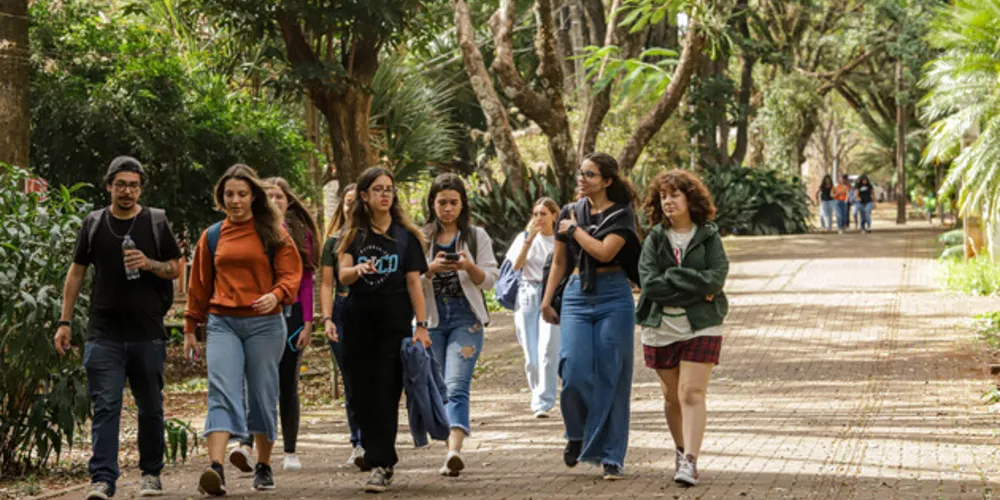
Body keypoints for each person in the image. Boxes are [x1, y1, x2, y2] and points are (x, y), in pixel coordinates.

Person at [55, 156, 182, 500]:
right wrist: (65, 321)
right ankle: (102, 479)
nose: (128, 191)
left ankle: (151, 474)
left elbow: (175, 268)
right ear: (109, 185)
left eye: (134, 185)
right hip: (103, 332)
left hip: (148, 332)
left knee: (151, 407)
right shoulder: (94, 223)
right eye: (121, 184)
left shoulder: (155, 222)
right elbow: (77, 272)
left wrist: (149, 263)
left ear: (141, 188)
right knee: (107, 405)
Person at [183, 164, 302, 495]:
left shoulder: (274, 234)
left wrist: (276, 294)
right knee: (221, 389)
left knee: (263, 395)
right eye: (229, 195)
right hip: (223, 322)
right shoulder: (212, 236)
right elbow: (199, 285)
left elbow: (291, 274)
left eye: (241, 194)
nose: (235, 200)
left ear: (253, 197)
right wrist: (190, 325)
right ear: (221, 198)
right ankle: (216, 468)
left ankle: (263, 465)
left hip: (265, 324)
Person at [541, 152, 642, 481]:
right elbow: (559, 262)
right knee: (573, 369)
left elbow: (603, 251)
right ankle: (577, 433)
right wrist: (547, 300)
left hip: (614, 294)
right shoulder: (570, 211)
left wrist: (573, 231)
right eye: (580, 173)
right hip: (576, 294)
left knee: (613, 375)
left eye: (590, 175)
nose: (582, 179)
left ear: (607, 181)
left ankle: (613, 455)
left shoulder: (622, 215)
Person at [336, 167, 431, 493]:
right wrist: (357, 269)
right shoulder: (354, 234)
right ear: (364, 195)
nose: (385, 194)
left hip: (393, 324)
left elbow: (414, 284)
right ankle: (378, 455)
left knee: (385, 392)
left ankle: (381, 463)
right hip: (358, 321)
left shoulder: (406, 237)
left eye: (389, 189)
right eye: (378, 189)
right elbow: (342, 275)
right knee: (361, 396)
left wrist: (421, 326)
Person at [635, 169, 729, 487]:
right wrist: (690, 281)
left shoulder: (709, 235)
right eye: (663, 196)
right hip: (660, 327)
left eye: (675, 195)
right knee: (672, 396)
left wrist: (673, 277)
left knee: (691, 392)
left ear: (690, 199)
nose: (669, 201)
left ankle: (690, 460)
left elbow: (716, 277)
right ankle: (680, 449)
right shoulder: (654, 240)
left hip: (702, 324)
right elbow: (649, 284)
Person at [228, 178, 319, 472]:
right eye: (267, 196)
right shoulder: (246, 230)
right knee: (251, 378)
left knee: (286, 380)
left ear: (287, 201)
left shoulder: (299, 233)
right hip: (254, 315)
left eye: (279, 196)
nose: (274, 200)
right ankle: (245, 444)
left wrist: (308, 322)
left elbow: (306, 280)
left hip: (291, 315)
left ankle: (290, 449)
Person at [420, 173, 499, 477]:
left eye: (453, 202)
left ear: (463, 204)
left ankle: (454, 450)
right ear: (432, 204)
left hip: (466, 320)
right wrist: (430, 268)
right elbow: (408, 278)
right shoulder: (420, 236)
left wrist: (468, 266)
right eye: (442, 202)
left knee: (457, 384)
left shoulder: (477, 237)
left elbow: (490, 281)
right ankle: (448, 449)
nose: (448, 208)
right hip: (431, 319)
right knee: (439, 386)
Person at [319, 183, 365, 468]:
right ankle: (358, 442)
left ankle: (376, 439)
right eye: (347, 202)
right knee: (351, 379)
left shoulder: (377, 237)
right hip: (343, 310)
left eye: (355, 202)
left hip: (373, 309)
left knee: (374, 378)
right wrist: (326, 319)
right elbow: (326, 283)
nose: (351, 207)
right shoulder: (332, 242)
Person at [507, 197, 561, 417]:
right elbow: (516, 266)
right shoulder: (525, 238)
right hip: (528, 294)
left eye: (544, 214)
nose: (539, 218)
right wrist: (529, 240)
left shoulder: (561, 239)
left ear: (554, 216)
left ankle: (543, 402)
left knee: (548, 349)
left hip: (552, 293)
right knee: (531, 354)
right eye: (536, 213)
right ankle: (537, 393)